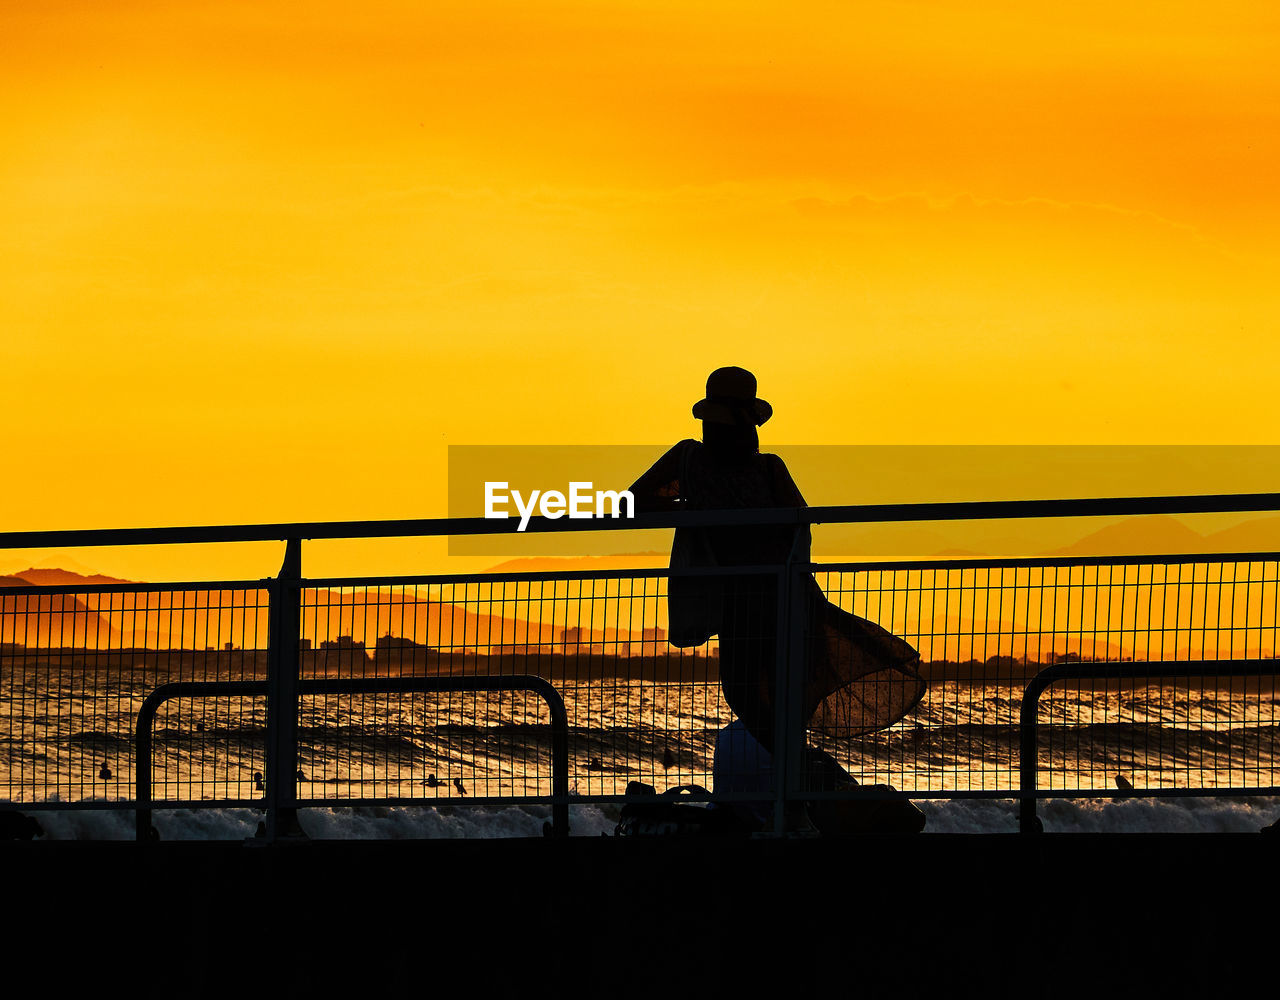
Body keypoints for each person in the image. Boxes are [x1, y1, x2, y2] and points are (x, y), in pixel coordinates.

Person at [628, 366, 926, 823]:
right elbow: (798, 522)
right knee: (770, 704)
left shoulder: (716, 462)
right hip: (777, 597)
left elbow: (632, 502)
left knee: (759, 700)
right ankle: (808, 798)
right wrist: (695, 509)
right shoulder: (740, 465)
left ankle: (805, 798)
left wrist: (694, 510)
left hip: (760, 601)